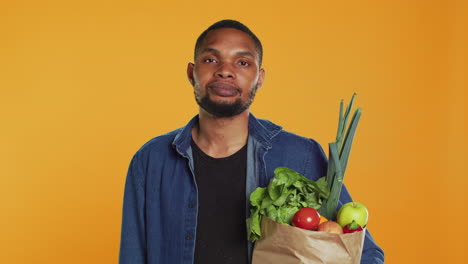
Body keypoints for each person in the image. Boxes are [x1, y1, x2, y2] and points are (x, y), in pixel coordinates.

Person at [119, 19, 384, 264]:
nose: (225, 71)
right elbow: (132, 257)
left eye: (242, 63)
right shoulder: (151, 160)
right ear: (191, 72)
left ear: (260, 79)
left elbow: (365, 253)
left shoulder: (301, 156)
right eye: (211, 59)